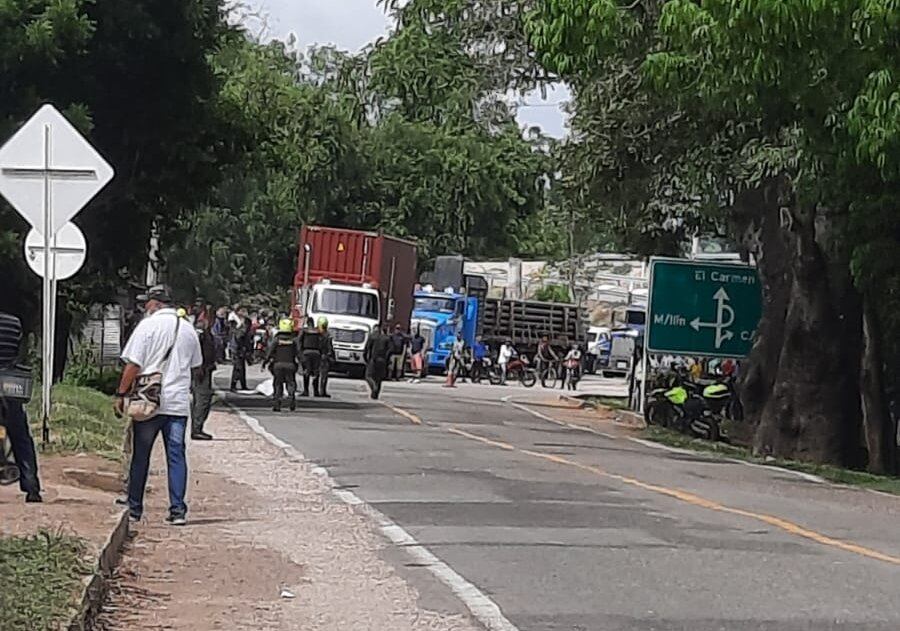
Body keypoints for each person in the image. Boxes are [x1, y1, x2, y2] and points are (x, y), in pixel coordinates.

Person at [115, 285, 202, 526]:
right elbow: (196, 364)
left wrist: (121, 393)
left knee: (141, 456)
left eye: (147, 303)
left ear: (155, 304)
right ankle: (178, 510)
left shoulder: (147, 326)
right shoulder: (187, 329)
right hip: (177, 403)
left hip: (148, 402)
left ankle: (135, 507)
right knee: (176, 456)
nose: (145, 307)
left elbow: (133, 365)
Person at [190, 311, 216, 440]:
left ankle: (197, 427)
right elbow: (196, 348)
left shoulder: (206, 332)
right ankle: (196, 428)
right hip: (201, 370)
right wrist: (198, 366)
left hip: (205, 368)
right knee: (202, 398)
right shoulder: (200, 332)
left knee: (203, 399)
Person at [266, 318, 300, 411]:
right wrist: (302, 364)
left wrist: (265, 362)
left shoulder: (276, 339)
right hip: (290, 365)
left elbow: (269, 352)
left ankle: (277, 403)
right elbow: (299, 353)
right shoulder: (294, 340)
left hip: (278, 365)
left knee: (277, 383)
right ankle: (291, 398)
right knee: (291, 383)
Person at [364, 325, 391, 399]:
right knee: (379, 378)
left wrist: (366, 358)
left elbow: (367, 348)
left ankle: (374, 387)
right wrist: (387, 359)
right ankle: (375, 395)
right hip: (382, 360)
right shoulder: (386, 338)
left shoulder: (372, 336)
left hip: (373, 359)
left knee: (368, 376)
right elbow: (390, 350)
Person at [298, 318, 322, 397]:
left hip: (306, 352)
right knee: (316, 372)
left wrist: (299, 353)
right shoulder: (318, 331)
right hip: (316, 353)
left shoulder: (304, 331)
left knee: (306, 372)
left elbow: (299, 341)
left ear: (307, 323)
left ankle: (306, 391)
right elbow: (322, 342)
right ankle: (316, 391)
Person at [229, 310, 251, 392]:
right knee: (238, 368)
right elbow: (239, 337)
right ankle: (233, 385)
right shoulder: (239, 329)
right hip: (237, 350)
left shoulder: (241, 328)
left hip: (241, 349)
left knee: (241, 368)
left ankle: (243, 384)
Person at [315, 317, 334, 398]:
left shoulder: (315, 334)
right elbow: (330, 347)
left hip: (317, 355)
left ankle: (316, 391)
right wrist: (331, 356)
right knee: (323, 375)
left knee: (317, 374)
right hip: (324, 356)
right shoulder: (327, 335)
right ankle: (322, 391)